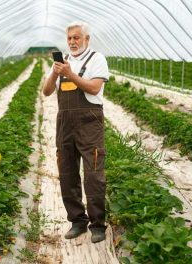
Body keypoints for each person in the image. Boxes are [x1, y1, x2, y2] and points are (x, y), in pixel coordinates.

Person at [42, 21, 109, 243]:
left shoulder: (97, 59)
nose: (72, 42)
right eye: (69, 38)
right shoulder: (64, 63)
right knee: (67, 174)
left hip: (89, 124)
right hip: (65, 125)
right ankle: (77, 221)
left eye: (77, 38)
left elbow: (94, 88)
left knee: (94, 175)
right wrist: (55, 72)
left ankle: (98, 224)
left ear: (86, 39)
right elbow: (47, 91)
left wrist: (71, 74)